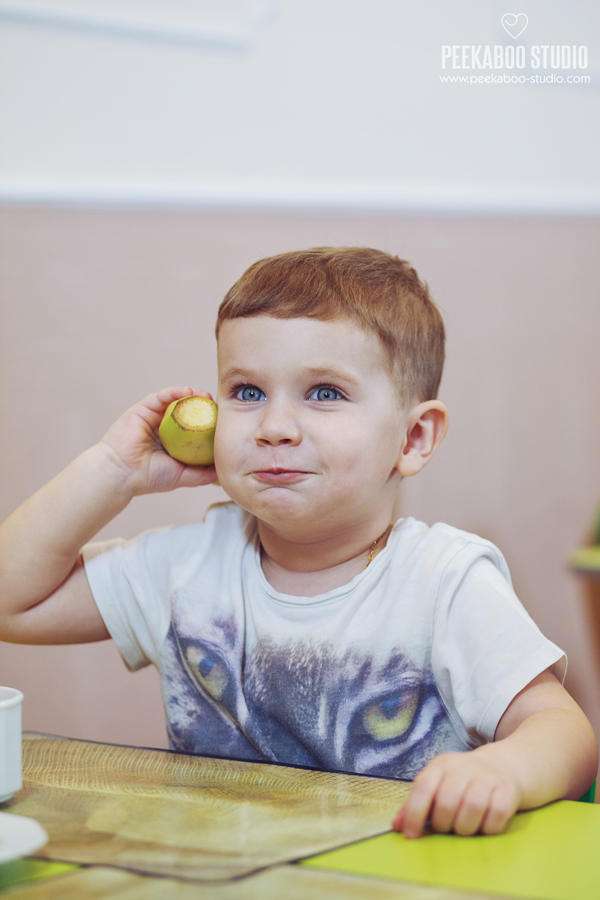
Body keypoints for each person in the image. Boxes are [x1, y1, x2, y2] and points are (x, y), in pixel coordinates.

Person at [0, 247, 596, 839]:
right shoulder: (188, 565)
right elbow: (13, 601)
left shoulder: (445, 581)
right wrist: (112, 469)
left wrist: (505, 768)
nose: (274, 427)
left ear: (413, 437)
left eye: (325, 393)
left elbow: (565, 731)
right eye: (248, 392)